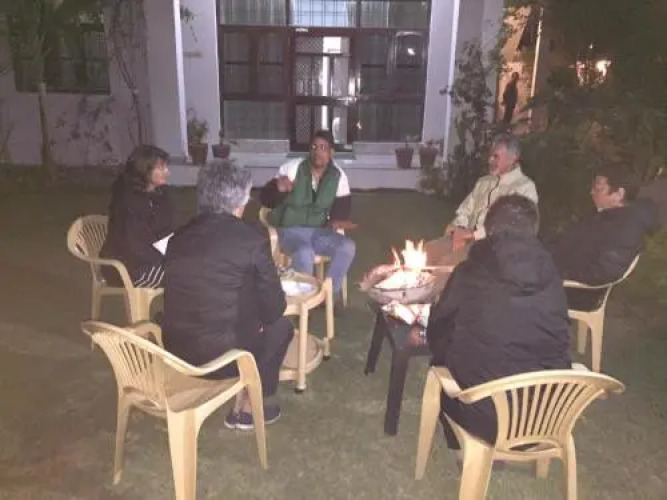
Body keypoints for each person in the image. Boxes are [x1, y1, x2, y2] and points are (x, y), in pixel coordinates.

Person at [426, 194, 571, 451]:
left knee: (440, 358)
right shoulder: (552, 275)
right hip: (545, 417)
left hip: (484, 417)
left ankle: (463, 447)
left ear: (489, 229)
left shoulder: (470, 272)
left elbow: (438, 328)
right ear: (534, 229)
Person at [161, 160, 293, 430]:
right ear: (241, 201)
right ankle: (251, 404)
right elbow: (274, 309)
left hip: (176, 351)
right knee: (281, 327)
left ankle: (245, 395)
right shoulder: (252, 241)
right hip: (223, 360)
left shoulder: (178, 238)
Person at [260, 129, 356, 300]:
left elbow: (342, 210)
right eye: (314, 147)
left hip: (319, 232)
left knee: (347, 247)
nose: (318, 152)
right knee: (304, 252)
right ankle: (305, 299)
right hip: (289, 231)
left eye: (323, 148)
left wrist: (336, 221)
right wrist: (278, 189)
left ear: (331, 152)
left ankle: (328, 295)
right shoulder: (292, 168)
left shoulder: (339, 176)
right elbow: (266, 200)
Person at [551, 165, 659, 310]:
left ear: (619, 194)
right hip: (555, 275)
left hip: (576, 291)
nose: (592, 192)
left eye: (598, 188)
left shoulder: (626, 228)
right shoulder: (601, 216)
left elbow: (605, 271)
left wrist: (558, 273)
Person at [425, 133, 538, 267]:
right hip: (465, 238)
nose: (490, 160)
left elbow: (510, 228)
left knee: (446, 265)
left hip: (493, 248)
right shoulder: (484, 182)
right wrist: (458, 230)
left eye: (496, 156)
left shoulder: (524, 187)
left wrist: (473, 235)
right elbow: (465, 211)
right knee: (426, 252)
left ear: (513, 158)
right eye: (490, 156)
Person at [100, 144, 173, 288]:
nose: (167, 172)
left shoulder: (160, 195)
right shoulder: (127, 202)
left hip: (152, 261)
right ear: (144, 170)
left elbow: (166, 231)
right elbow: (134, 247)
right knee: (189, 276)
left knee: (197, 268)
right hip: (129, 269)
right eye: (161, 168)